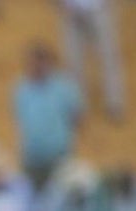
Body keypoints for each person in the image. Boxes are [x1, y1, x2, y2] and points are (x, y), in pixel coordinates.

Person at [14, 41, 84, 190]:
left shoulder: (64, 87)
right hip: (31, 158)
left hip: (59, 157)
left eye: (38, 63)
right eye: (31, 63)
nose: (34, 67)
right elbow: (20, 118)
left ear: (48, 63)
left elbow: (77, 116)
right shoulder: (21, 89)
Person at [59, 0, 124, 121]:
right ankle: (76, 106)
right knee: (74, 61)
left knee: (109, 58)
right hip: (71, 11)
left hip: (99, 8)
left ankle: (115, 103)